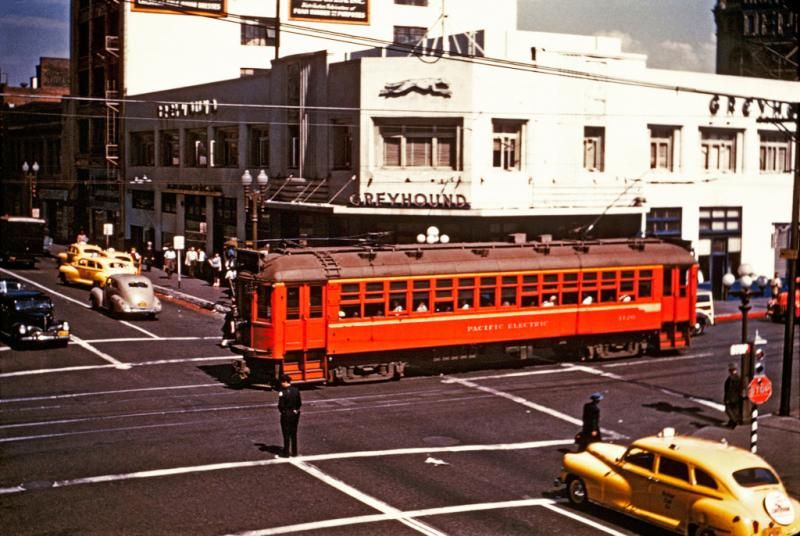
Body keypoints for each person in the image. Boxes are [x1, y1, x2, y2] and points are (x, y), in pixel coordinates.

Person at [277, 374, 302, 457]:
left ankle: (286, 452)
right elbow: (299, 403)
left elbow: (281, 405)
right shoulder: (296, 390)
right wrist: (295, 410)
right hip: (295, 414)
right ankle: (294, 452)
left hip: (286, 414)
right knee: (294, 433)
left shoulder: (282, 392)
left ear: (284, 382)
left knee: (286, 434)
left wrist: (283, 412)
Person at [724, 362, 742, 428]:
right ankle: (732, 421)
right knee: (730, 410)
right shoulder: (730, 379)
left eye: (733, 370)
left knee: (731, 411)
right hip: (731, 398)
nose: (732, 371)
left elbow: (738, 389)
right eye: (731, 370)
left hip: (734, 398)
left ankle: (734, 422)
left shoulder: (736, 379)